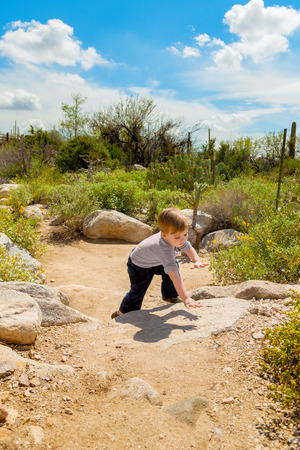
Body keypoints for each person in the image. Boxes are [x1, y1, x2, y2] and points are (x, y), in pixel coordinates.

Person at [111, 207, 208, 319]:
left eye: (185, 234)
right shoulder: (165, 250)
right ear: (164, 235)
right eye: (177, 237)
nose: (182, 239)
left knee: (173, 266)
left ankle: (169, 296)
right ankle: (122, 313)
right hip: (140, 265)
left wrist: (197, 261)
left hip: (155, 259)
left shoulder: (176, 238)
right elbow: (175, 277)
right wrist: (186, 298)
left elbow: (188, 247)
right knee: (138, 291)